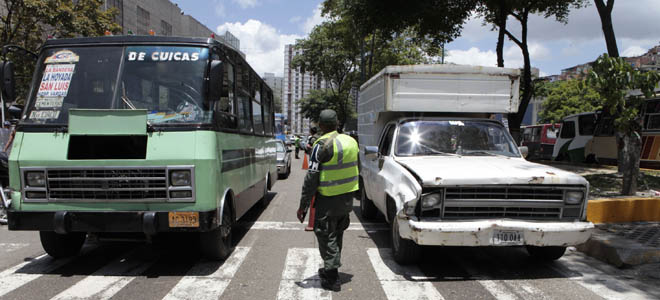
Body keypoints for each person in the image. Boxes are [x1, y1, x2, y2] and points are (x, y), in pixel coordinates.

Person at [296, 109, 358, 292]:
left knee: (325, 233)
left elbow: (311, 178)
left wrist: (303, 205)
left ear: (321, 126)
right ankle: (331, 267)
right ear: (337, 123)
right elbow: (357, 167)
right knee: (337, 231)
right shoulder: (351, 142)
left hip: (328, 198)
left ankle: (332, 277)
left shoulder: (321, 145)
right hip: (347, 198)